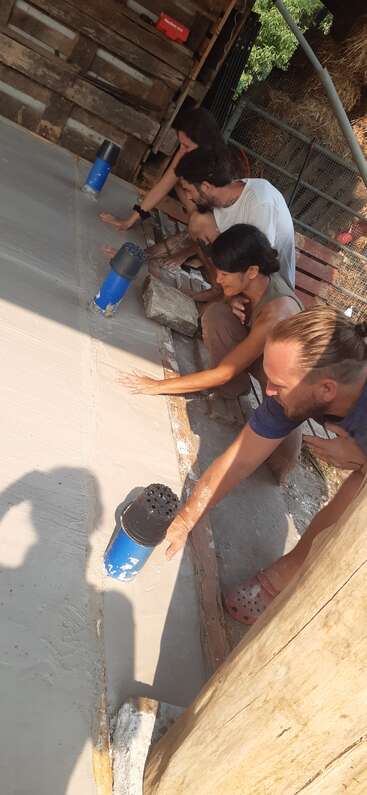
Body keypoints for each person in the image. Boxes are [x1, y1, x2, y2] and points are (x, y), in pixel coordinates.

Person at [161, 307, 367, 621]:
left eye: (278, 385)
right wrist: (187, 517)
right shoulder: (304, 389)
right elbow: (240, 458)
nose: (267, 390)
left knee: (355, 501)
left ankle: (287, 578)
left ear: (326, 389)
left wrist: (361, 458)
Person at [118, 225, 303, 401]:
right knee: (216, 314)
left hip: (285, 390)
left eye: (225, 275)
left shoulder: (275, 314)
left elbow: (224, 372)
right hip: (259, 357)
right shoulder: (257, 279)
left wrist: (157, 386)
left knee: (277, 408)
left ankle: (271, 413)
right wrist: (231, 299)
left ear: (252, 271)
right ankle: (234, 389)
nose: (218, 279)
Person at [175, 148, 296, 289]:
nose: (188, 197)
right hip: (240, 269)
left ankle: (230, 297)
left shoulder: (260, 202)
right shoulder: (223, 195)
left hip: (269, 284)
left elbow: (259, 263)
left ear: (206, 187)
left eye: (188, 190)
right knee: (199, 222)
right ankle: (220, 290)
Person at [99, 107, 228, 233]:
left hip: (219, 225)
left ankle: (195, 226)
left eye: (186, 146)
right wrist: (129, 221)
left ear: (203, 143)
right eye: (180, 144)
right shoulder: (186, 152)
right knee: (177, 180)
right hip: (199, 210)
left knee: (198, 220)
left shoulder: (218, 166)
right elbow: (165, 183)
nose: (181, 150)